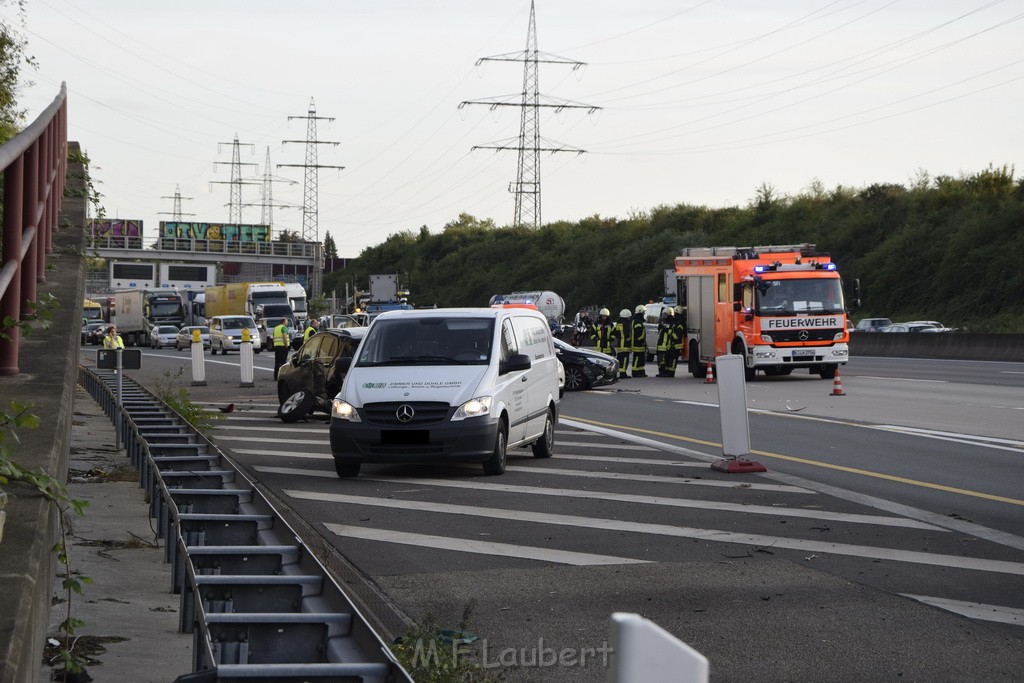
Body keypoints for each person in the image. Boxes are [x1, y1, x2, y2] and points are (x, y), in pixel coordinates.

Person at [613, 309, 632, 379]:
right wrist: (630, 341)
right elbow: (627, 334)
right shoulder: (626, 324)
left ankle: (620, 372)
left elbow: (616, 334)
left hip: (620, 344)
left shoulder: (618, 323)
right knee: (625, 359)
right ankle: (623, 374)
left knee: (620, 358)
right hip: (625, 344)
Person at [655, 307, 675, 377]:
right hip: (660, 344)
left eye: (665, 314)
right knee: (660, 359)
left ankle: (665, 372)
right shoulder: (662, 322)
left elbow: (671, 332)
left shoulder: (672, 323)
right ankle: (661, 372)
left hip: (667, 344)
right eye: (663, 314)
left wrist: (665, 328)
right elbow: (659, 332)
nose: (664, 316)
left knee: (665, 359)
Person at [630, 305, 647, 378]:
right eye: (643, 313)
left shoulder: (638, 320)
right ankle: (635, 372)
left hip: (640, 344)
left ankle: (641, 372)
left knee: (641, 359)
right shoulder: (637, 321)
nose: (644, 314)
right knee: (637, 358)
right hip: (637, 344)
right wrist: (642, 340)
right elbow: (638, 334)